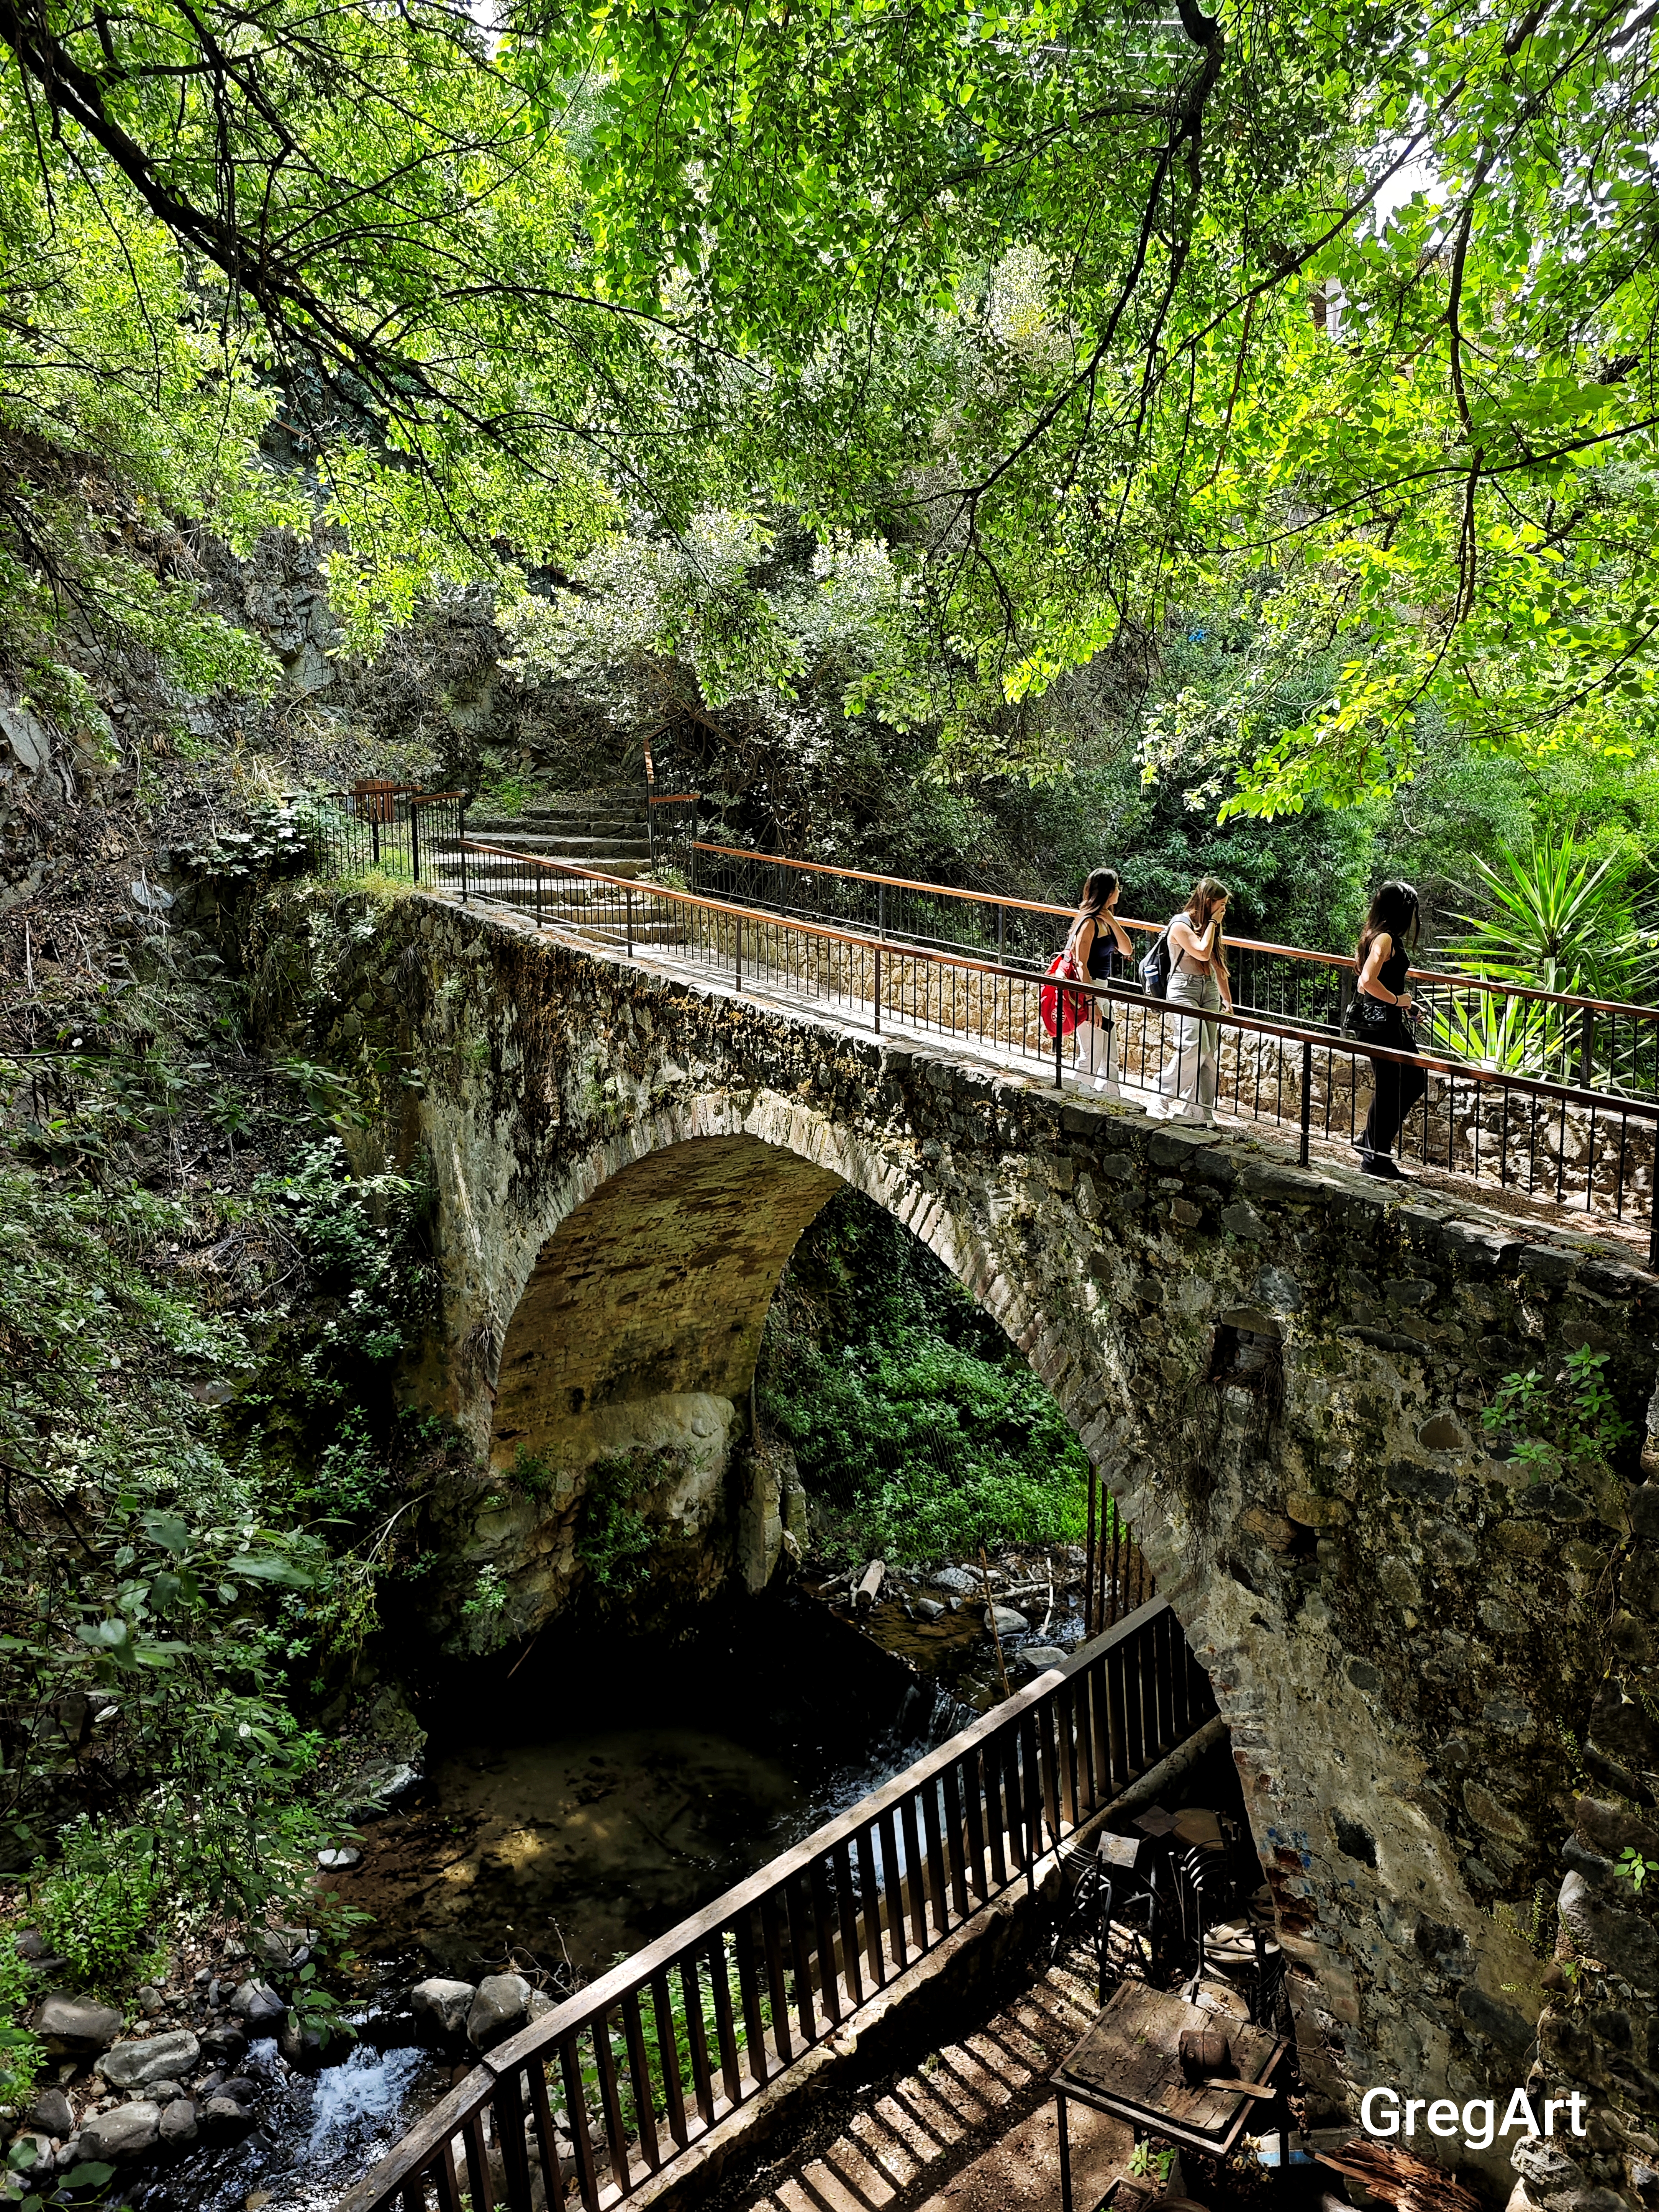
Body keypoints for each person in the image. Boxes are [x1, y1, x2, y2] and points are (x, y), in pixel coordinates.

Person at [1351, 880, 1426, 1179]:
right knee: (1393, 1087)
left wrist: (1406, 1004)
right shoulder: (1384, 938)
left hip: (1386, 1020)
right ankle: (1375, 1158)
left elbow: (1371, 983)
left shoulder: (1379, 935)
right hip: (1381, 1025)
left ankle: (1370, 1143)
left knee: (1412, 1080)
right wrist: (1397, 1000)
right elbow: (1367, 981)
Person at [1148, 878, 1233, 1124]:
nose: (1224, 910)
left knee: (1209, 1055)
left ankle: (1199, 1113)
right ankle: (1161, 1094)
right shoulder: (1180, 924)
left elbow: (1216, 961)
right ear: (1208, 902)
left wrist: (1227, 999)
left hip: (1209, 990)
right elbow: (1202, 952)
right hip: (1183, 990)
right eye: (1221, 904)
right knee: (1194, 1046)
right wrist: (1214, 923)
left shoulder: (1209, 926)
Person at [1063, 868, 1136, 1094]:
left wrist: (1113, 921)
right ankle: (1074, 1097)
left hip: (1102, 991)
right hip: (1090, 990)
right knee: (1091, 1056)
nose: (1120, 892)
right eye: (1117, 887)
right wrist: (1091, 1002)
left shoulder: (1104, 921)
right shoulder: (1089, 923)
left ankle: (1112, 1100)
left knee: (1110, 1057)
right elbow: (1081, 965)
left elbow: (1127, 949)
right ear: (1108, 891)